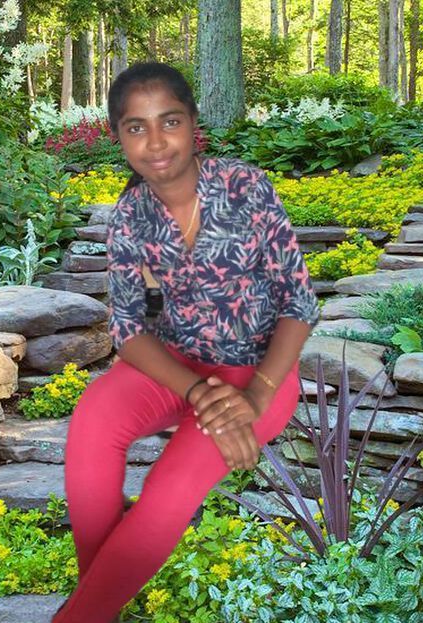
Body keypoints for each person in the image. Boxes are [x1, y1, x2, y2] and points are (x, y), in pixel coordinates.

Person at [52, 62, 319, 623]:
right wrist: (198, 392)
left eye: (169, 121)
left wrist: (252, 400)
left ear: (194, 122)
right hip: (177, 368)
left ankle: (83, 613)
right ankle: (98, 604)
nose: (155, 142)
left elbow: (298, 304)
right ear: (118, 136)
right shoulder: (131, 215)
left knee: (170, 487)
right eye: (136, 127)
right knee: (92, 423)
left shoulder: (246, 188)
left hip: (260, 373)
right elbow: (128, 330)